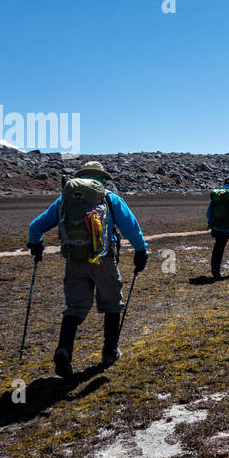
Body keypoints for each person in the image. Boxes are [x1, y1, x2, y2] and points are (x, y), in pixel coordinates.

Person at [27, 161, 148, 377]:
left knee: (74, 307)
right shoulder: (110, 199)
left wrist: (35, 244)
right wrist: (141, 250)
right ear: (102, 179)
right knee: (112, 304)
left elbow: (35, 226)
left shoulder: (65, 200)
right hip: (103, 259)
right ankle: (109, 352)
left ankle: (64, 349)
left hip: (74, 259)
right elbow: (131, 227)